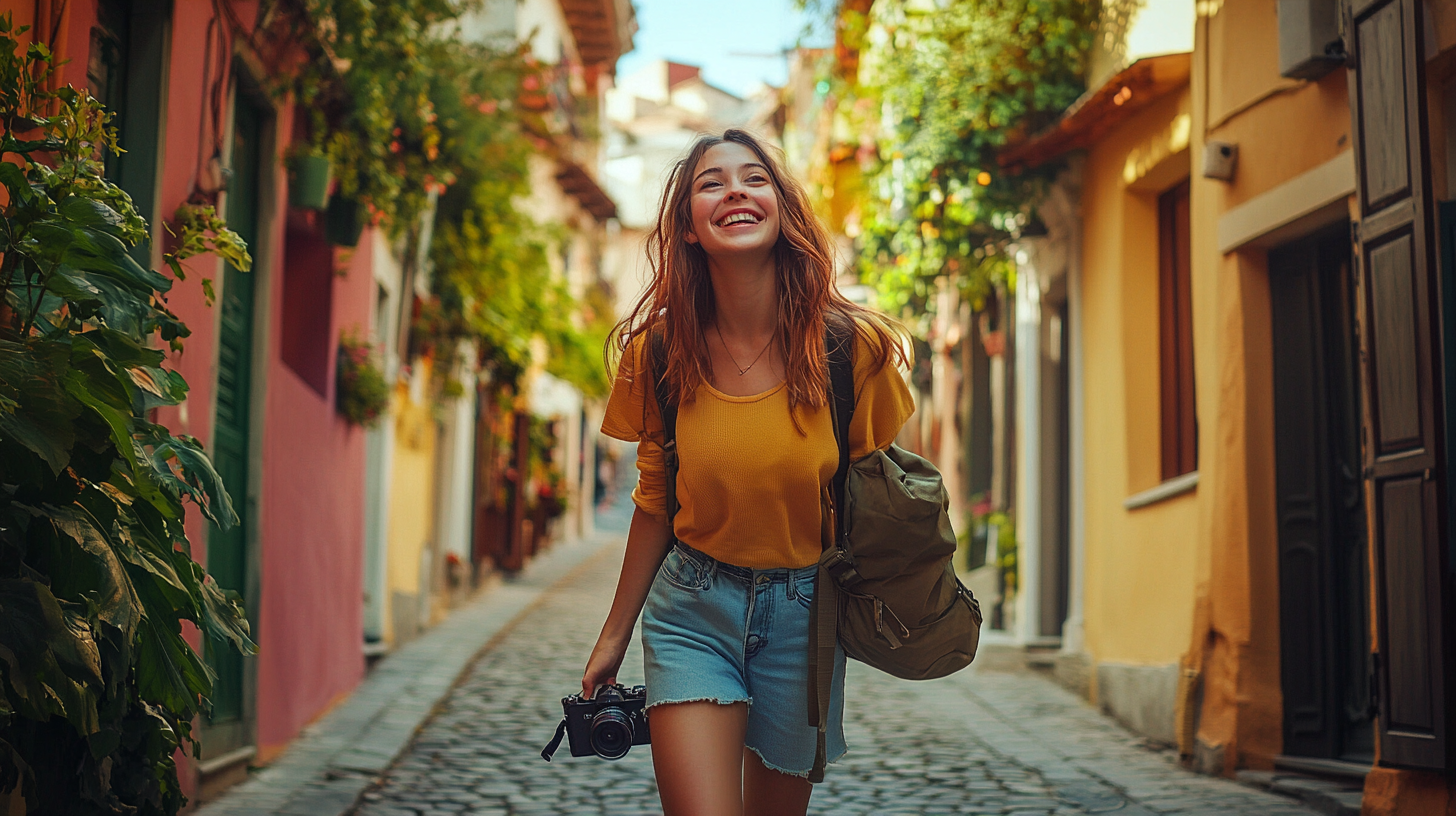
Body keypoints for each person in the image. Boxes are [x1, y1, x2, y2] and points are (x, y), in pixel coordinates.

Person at [582, 128, 914, 816]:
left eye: (754, 178)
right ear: (691, 228)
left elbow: (878, 491)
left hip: (804, 616)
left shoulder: (855, 350)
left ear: (783, 209)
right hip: (692, 611)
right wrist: (612, 637)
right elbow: (653, 501)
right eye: (712, 183)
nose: (735, 189)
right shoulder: (659, 351)